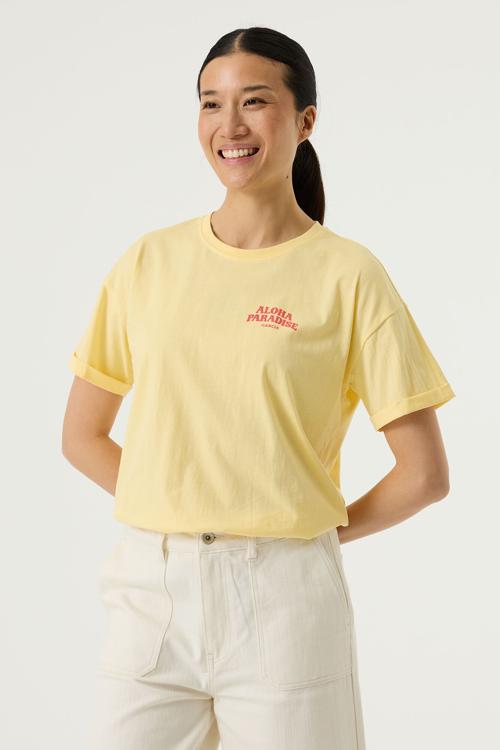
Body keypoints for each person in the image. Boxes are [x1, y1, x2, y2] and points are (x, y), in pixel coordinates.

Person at [62, 25, 456, 750]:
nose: (230, 125)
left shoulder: (349, 275)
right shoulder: (148, 262)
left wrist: (302, 529)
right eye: (210, 104)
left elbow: (425, 474)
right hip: (152, 595)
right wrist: (181, 503)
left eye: (254, 101)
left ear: (305, 121)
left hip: (285, 602)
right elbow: (81, 435)